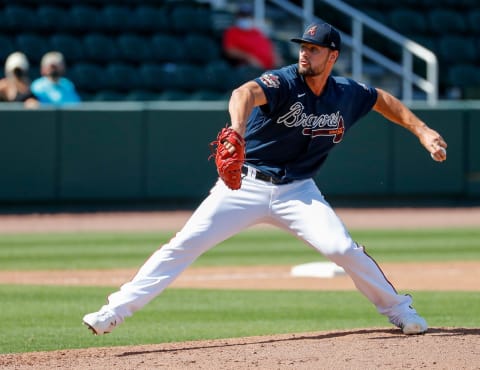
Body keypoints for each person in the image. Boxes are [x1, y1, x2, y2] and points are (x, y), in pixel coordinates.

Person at [83, 22, 448, 336]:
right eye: (303, 47)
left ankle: (400, 311)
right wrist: (237, 130)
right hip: (244, 186)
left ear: (332, 56)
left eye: (314, 49)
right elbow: (243, 93)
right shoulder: (283, 81)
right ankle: (114, 311)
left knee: (341, 249)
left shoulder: (346, 94)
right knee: (183, 245)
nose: (305, 54)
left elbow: (382, 99)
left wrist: (422, 130)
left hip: (298, 192)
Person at [222, 3, 280, 70]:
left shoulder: (256, 31)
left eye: (248, 16)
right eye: (243, 16)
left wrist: (276, 57)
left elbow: (268, 46)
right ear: (237, 16)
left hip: (270, 69)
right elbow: (229, 51)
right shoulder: (232, 32)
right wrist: (248, 57)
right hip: (250, 68)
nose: (245, 18)